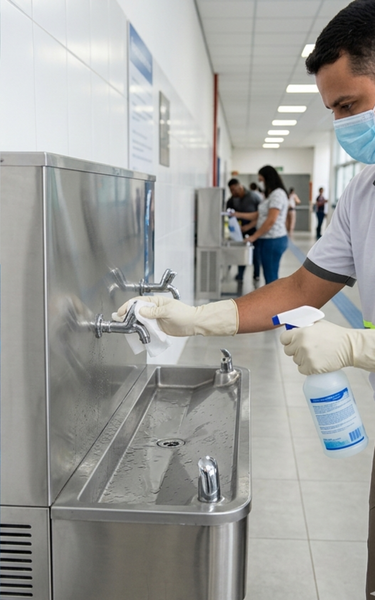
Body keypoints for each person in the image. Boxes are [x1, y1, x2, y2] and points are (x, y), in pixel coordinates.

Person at [119, 1, 375, 594]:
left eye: (350, 105)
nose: (342, 124)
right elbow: (302, 286)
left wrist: (358, 348)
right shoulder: (363, 191)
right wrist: (196, 320)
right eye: (331, 110)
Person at [230, 166, 289, 284]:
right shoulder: (271, 195)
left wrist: (254, 236)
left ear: (268, 179)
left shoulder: (278, 194)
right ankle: (272, 301)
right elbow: (259, 215)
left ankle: (273, 301)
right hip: (267, 239)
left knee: (271, 277)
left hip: (273, 239)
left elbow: (271, 220)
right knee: (268, 275)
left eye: (261, 180)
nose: (260, 183)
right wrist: (238, 215)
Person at [226, 178, 261, 282]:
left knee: (256, 253)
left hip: (254, 228)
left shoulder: (254, 197)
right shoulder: (232, 200)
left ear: (240, 187)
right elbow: (229, 215)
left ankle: (256, 275)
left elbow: (261, 215)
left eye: (234, 190)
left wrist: (248, 226)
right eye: (231, 190)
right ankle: (240, 275)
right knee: (241, 252)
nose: (233, 192)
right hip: (239, 230)